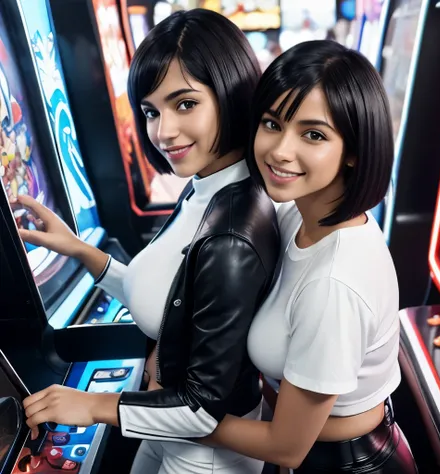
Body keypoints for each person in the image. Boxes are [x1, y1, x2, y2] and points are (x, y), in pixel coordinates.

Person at [18, 9, 280, 474]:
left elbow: (202, 407)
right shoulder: (209, 185)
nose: (163, 132)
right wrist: (80, 251)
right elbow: (169, 300)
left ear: (230, 92)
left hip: (204, 453)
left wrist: (93, 405)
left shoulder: (232, 231)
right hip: (169, 427)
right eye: (151, 111)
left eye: (185, 104)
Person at [201, 40, 418, 473]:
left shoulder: (333, 283)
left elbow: (286, 446)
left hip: (343, 462)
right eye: (272, 123)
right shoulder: (298, 213)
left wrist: (162, 416)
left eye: (313, 134)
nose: (281, 150)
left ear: (354, 151)